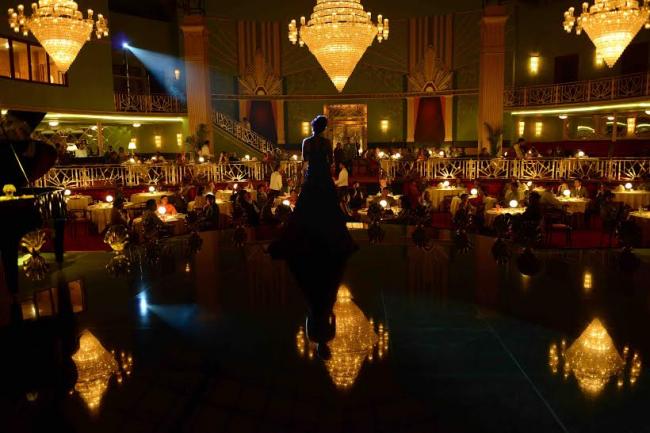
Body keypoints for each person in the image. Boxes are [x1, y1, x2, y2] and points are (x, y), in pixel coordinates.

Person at [269, 114, 357, 259]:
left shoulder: (307, 142)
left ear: (313, 127)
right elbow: (331, 161)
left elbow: (305, 161)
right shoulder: (327, 142)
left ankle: (302, 235)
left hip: (313, 175)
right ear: (324, 128)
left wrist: (304, 176)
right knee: (329, 204)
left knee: (306, 203)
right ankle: (333, 237)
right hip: (324, 176)